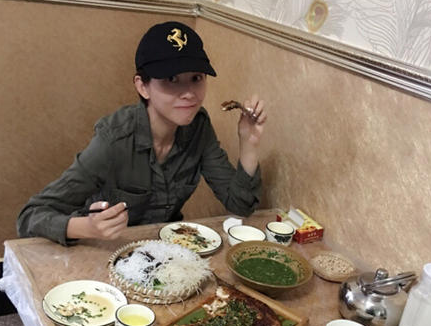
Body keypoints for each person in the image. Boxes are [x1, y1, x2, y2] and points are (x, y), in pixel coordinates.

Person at [17, 21, 267, 245]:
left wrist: (249, 143)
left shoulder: (199, 127)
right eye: (172, 79)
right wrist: (88, 227)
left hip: (165, 251)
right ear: (143, 86)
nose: (189, 93)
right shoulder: (114, 139)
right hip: (104, 249)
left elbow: (240, 206)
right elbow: (30, 217)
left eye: (196, 78)